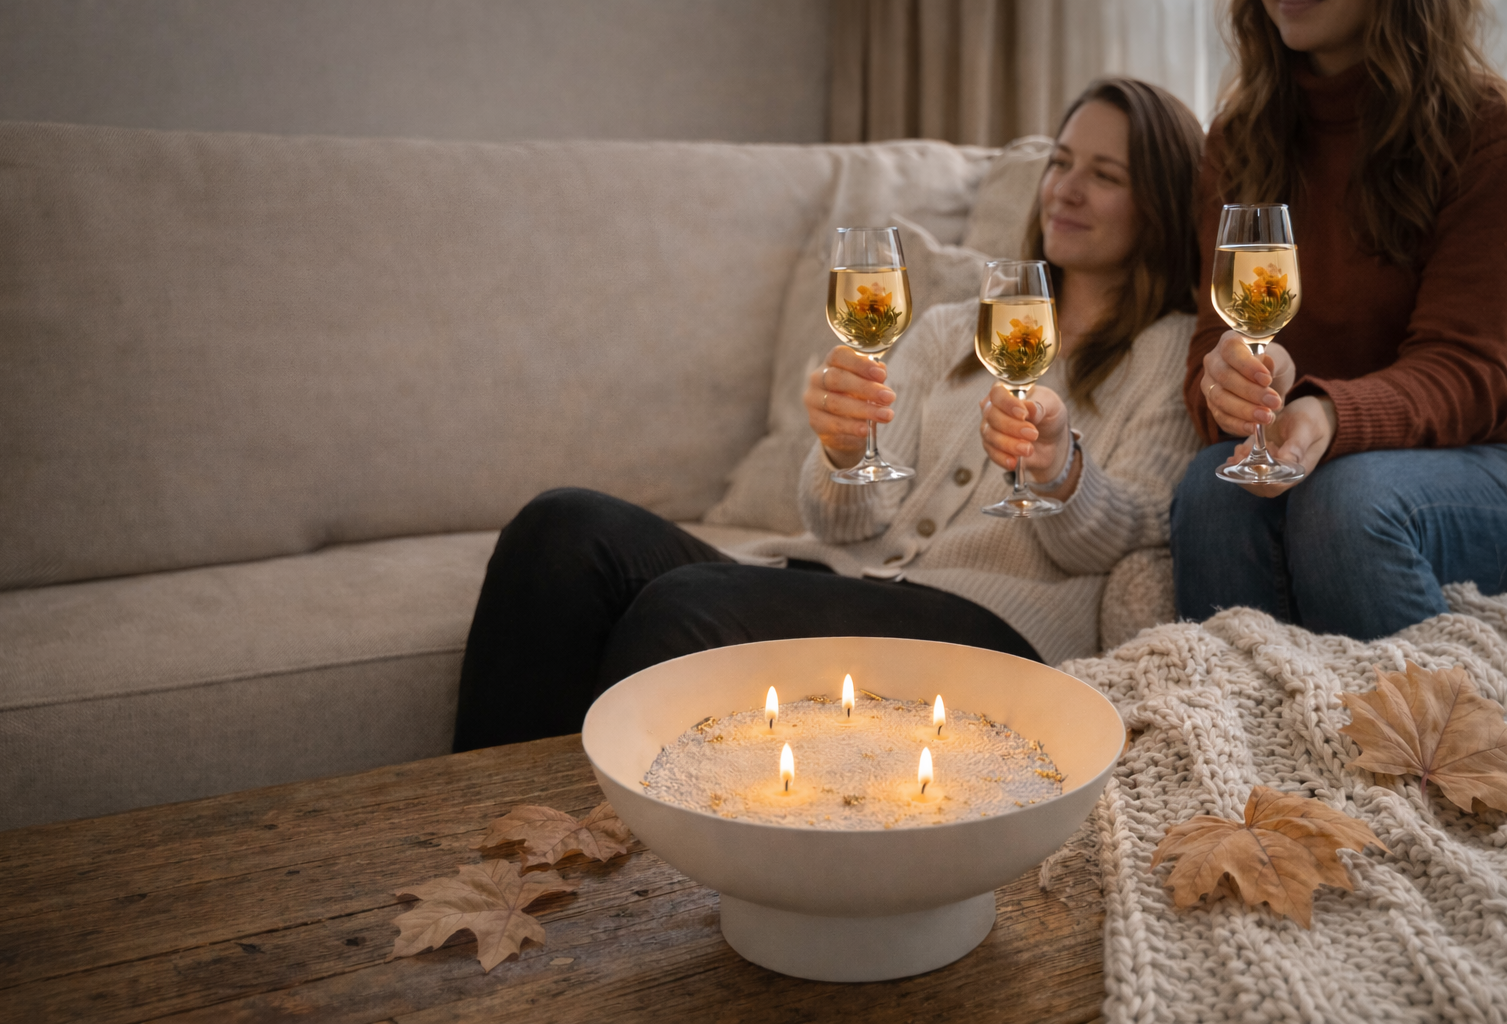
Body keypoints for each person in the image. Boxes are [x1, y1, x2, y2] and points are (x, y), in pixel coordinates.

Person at [454, 78, 1205, 751]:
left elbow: (1141, 527)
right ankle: (494, 847)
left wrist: (1060, 468)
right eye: (1062, 161)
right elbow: (844, 524)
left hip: (990, 630)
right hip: (852, 582)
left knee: (686, 610)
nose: (1066, 190)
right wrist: (845, 453)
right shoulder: (951, 328)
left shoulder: (1171, 351)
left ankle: (609, 880)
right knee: (561, 530)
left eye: (1104, 176)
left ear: (1162, 207)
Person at [1171, 0, 1507, 641]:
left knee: (1348, 501)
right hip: (1321, 441)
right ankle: (1244, 734)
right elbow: (1214, 341)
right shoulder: (1239, 138)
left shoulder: (1487, 130)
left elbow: (1470, 368)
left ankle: (1427, 736)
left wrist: (1327, 414)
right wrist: (1229, 386)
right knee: (1212, 492)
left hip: (1477, 454)